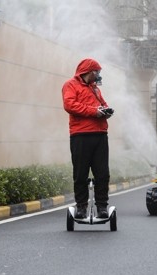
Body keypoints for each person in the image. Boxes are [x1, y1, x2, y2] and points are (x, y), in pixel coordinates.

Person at [62, 58, 114, 219]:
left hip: (100, 135)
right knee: (80, 174)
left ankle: (102, 206)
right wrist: (94, 112)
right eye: (96, 71)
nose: (98, 75)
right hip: (80, 136)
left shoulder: (96, 89)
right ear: (89, 71)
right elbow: (69, 105)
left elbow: (103, 104)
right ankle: (81, 207)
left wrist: (106, 110)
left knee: (103, 174)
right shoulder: (70, 85)